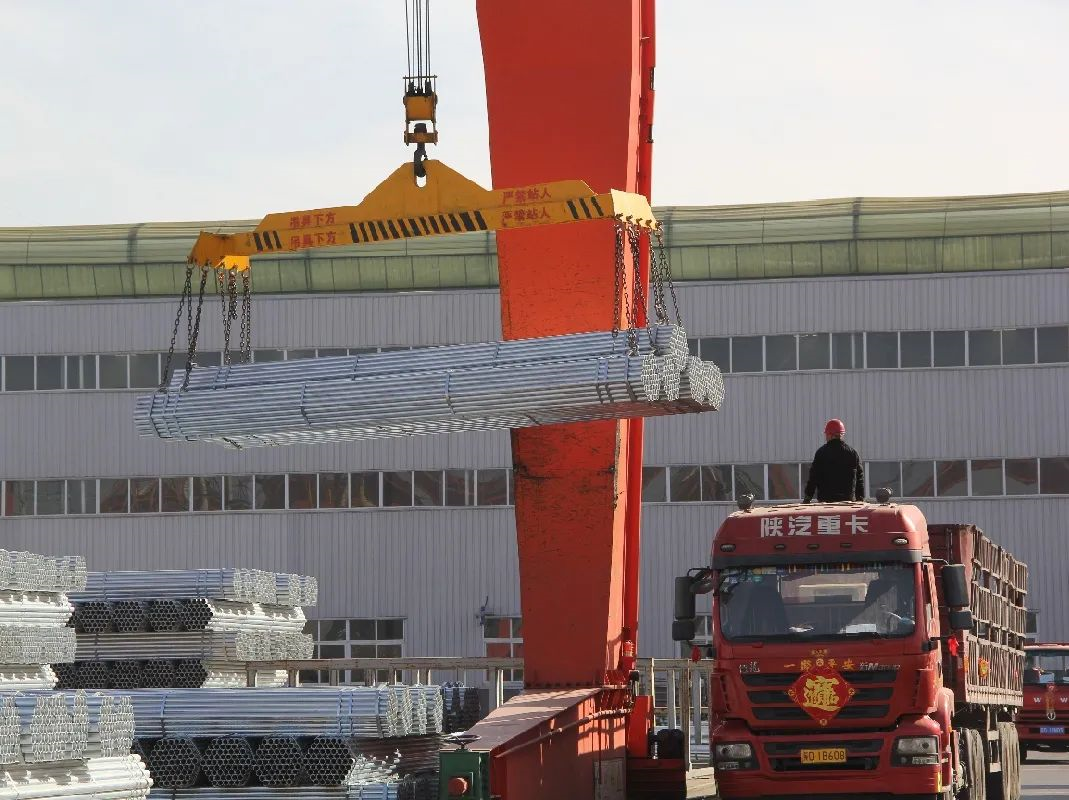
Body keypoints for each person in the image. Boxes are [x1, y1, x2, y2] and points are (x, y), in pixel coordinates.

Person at [803, 419, 865, 503]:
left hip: (825, 503)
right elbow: (859, 478)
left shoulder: (821, 453)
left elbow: (813, 478)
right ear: (841, 435)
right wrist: (860, 499)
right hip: (848, 503)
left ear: (830, 435)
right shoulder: (853, 453)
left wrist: (807, 498)